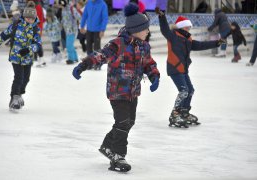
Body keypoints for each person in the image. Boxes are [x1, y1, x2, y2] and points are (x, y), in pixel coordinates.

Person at [72, 3, 160, 172]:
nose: (148, 31)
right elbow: (100, 56)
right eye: (145, 29)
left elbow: (149, 63)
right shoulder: (118, 44)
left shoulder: (144, 46)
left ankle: (107, 146)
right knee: (123, 122)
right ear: (135, 29)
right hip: (117, 91)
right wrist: (83, 65)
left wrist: (154, 76)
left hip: (133, 92)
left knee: (130, 121)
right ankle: (118, 157)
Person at [156, 7, 225, 128]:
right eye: (186, 26)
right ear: (180, 26)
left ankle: (184, 112)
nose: (188, 28)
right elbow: (164, 29)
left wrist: (216, 43)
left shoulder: (188, 39)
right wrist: (162, 17)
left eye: (189, 27)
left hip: (183, 69)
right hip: (174, 68)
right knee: (183, 91)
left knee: (190, 90)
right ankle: (175, 114)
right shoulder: (172, 35)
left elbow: (201, 45)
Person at [0, 1, 42, 111]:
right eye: (28, 18)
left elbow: (38, 44)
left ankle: (19, 94)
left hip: (28, 58)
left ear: (35, 18)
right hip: (16, 57)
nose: (30, 20)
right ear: (24, 17)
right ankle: (14, 98)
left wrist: (29, 49)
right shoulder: (16, 25)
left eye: (32, 18)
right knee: (19, 77)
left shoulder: (35, 29)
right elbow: (6, 33)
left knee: (26, 79)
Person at [58, 0, 79, 64]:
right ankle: (75, 58)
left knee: (69, 45)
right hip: (67, 30)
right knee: (70, 45)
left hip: (72, 30)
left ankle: (71, 59)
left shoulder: (71, 8)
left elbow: (78, 16)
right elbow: (64, 19)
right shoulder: (63, 10)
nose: (60, 6)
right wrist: (61, 24)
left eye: (60, 5)